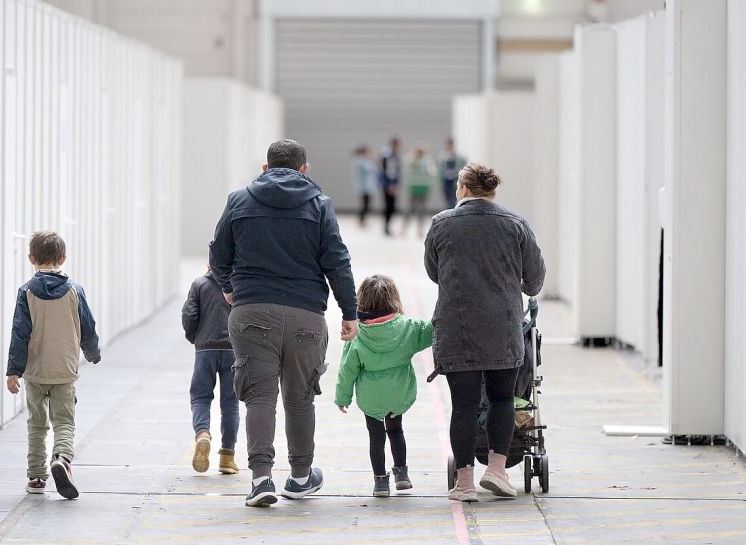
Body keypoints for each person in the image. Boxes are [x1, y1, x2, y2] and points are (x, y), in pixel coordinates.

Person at [209, 139, 359, 508]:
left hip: (251, 312)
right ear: (303, 169)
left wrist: (229, 287)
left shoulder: (239, 199)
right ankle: (301, 478)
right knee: (300, 398)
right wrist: (350, 312)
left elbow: (218, 252)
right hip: (306, 315)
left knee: (259, 397)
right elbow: (337, 261)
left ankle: (261, 480)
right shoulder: (319, 205)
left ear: (265, 167)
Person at [424, 163, 545, 502]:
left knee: (463, 406)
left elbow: (434, 272)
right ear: (492, 190)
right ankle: (497, 470)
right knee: (502, 399)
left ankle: (464, 483)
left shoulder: (441, 223)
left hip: (456, 328)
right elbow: (534, 280)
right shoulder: (516, 224)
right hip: (503, 327)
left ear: (462, 188)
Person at [5, 231, 101, 500]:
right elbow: (88, 327)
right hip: (64, 368)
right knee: (64, 421)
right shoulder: (74, 290)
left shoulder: (26, 292)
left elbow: (19, 333)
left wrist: (13, 370)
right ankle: (62, 458)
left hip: (35, 372)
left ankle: (36, 477)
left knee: (37, 423)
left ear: (31, 258)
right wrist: (93, 353)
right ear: (63, 258)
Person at [334, 275, 433, 498]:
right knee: (396, 430)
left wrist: (343, 398)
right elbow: (432, 331)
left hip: (371, 397)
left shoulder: (357, 333)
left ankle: (380, 482)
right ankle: (402, 475)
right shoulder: (408, 327)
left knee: (375, 437)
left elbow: (347, 370)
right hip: (398, 393)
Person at [182, 267, 239, 475]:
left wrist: (196, 339)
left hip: (205, 349)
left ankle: (203, 433)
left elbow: (189, 316)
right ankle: (227, 457)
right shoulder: (239, 284)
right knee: (230, 404)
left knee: (200, 397)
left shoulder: (199, 284)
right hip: (233, 350)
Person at [403, 144, 437, 237]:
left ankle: (405, 229)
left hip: (415, 187)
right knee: (420, 209)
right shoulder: (426, 160)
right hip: (422, 186)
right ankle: (419, 230)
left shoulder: (411, 159)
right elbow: (433, 172)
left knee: (411, 208)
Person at [379, 137, 402, 236]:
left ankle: (388, 225)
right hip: (387, 185)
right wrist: (388, 185)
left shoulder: (396, 156)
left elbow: (397, 172)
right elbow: (384, 171)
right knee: (388, 206)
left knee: (392, 206)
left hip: (393, 185)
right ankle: (386, 226)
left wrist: (396, 184)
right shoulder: (386, 156)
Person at [351, 145, 377, 227]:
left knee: (366, 204)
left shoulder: (363, 161)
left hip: (366, 186)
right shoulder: (361, 161)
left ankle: (362, 219)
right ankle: (361, 220)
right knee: (365, 204)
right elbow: (370, 169)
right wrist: (371, 160)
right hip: (364, 187)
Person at [438, 138, 467, 210]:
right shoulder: (442, 157)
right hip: (446, 182)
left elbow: (463, 167)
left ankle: (452, 212)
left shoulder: (459, 157)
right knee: (447, 199)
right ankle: (449, 212)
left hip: (454, 181)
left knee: (454, 199)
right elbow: (440, 170)